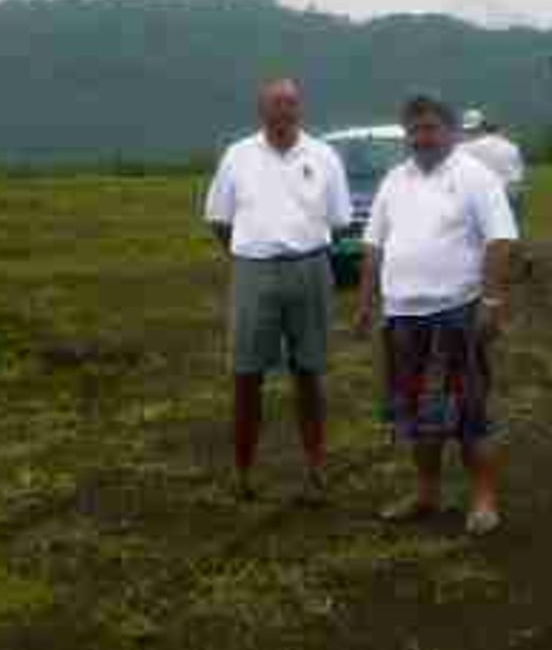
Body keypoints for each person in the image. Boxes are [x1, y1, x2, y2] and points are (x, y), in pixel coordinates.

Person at [355, 94, 518, 536]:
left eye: (430, 129)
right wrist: (366, 303)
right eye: (414, 130)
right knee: (415, 414)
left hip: (457, 312)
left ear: (451, 132)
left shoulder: (475, 177)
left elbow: (500, 240)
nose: (421, 138)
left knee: (469, 412)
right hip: (403, 316)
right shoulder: (394, 180)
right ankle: (427, 493)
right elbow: (373, 245)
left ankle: (484, 498)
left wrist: (491, 302)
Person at [204, 77, 353, 503]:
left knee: (309, 373)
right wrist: (247, 253)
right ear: (261, 110)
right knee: (246, 375)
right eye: (274, 104)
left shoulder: (324, 156)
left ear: (299, 109)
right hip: (254, 269)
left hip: (310, 268)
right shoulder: (238, 156)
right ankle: (244, 472)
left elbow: (339, 218)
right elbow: (218, 218)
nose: (283, 111)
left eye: (289, 103)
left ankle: (316, 467)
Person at [459, 109, 528, 230]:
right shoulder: (512, 146)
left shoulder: (463, 149)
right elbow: (519, 176)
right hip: (511, 195)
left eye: (468, 131)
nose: (467, 134)